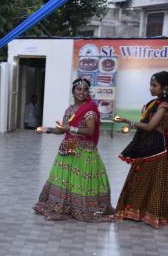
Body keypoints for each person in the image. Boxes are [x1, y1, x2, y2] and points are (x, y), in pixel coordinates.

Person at [114, 71, 168, 228]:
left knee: (156, 183)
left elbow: (150, 126)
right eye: (150, 85)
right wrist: (129, 127)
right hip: (145, 146)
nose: (151, 88)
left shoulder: (164, 106)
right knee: (140, 180)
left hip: (157, 149)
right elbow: (146, 125)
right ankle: (136, 211)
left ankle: (154, 213)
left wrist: (128, 121)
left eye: (154, 85)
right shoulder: (153, 103)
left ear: (164, 87)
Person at [34, 78, 114, 221]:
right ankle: (63, 207)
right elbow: (63, 129)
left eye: (85, 90)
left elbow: (90, 131)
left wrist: (70, 128)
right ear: (73, 91)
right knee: (65, 179)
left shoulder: (89, 110)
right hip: (68, 148)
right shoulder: (70, 109)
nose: (82, 92)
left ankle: (80, 208)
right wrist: (48, 129)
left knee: (79, 181)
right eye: (79, 89)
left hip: (84, 152)